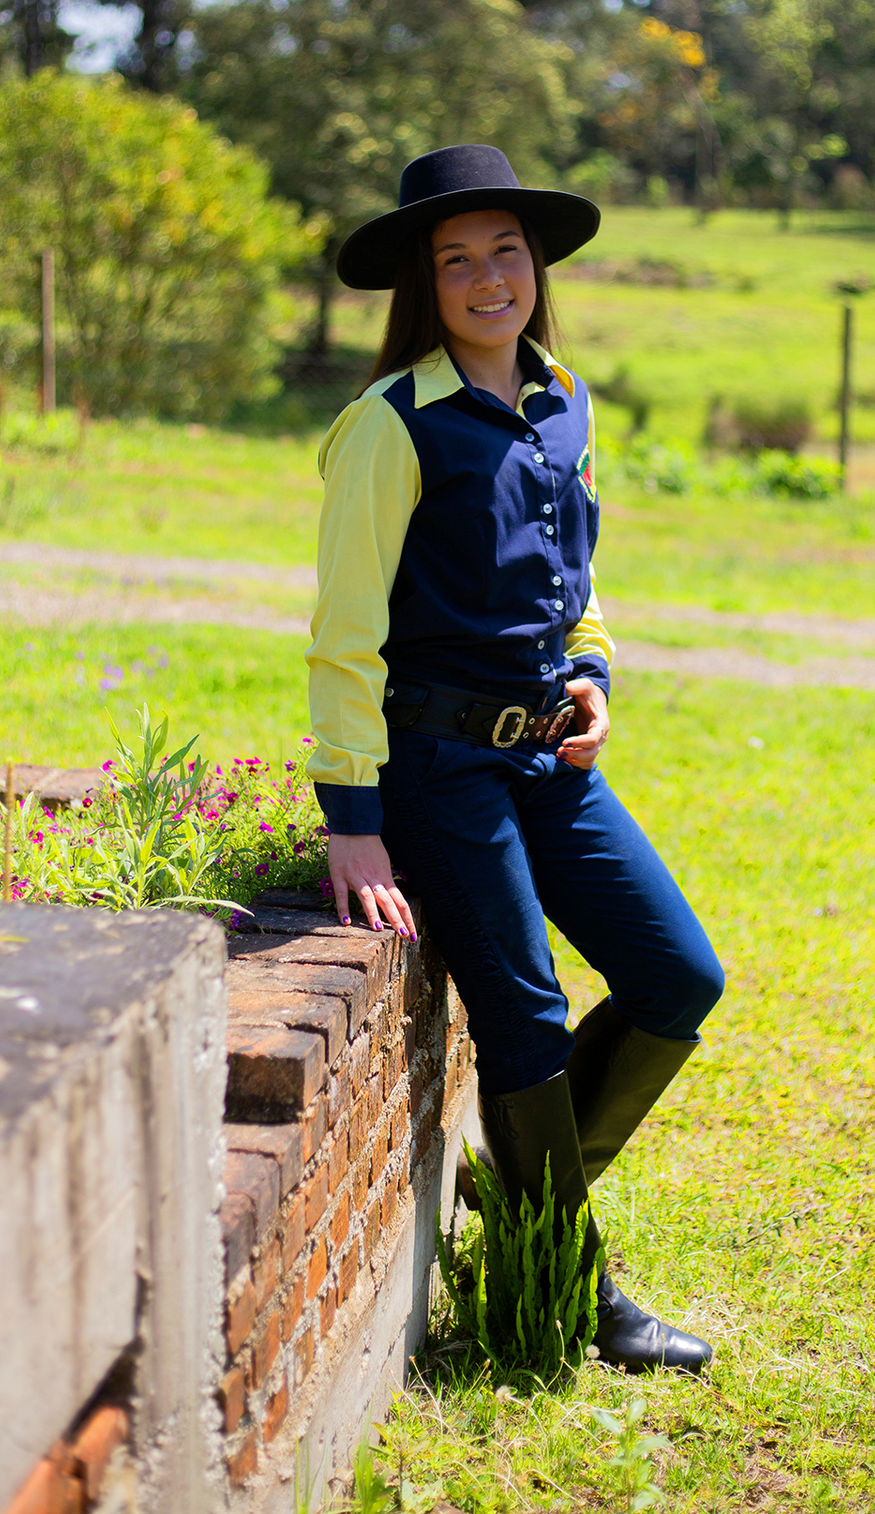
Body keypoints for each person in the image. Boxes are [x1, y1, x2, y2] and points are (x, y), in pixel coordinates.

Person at [306, 145, 725, 1373]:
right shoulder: (391, 426)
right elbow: (343, 637)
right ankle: (574, 1294)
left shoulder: (566, 403)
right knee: (527, 1013)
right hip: (438, 770)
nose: (487, 277)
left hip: (552, 757)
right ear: (423, 287)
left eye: (505, 252)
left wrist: (592, 672)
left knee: (678, 977)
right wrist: (352, 817)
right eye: (456, 259)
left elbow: (578, 581)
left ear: (536, 267)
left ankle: (519, 1193)